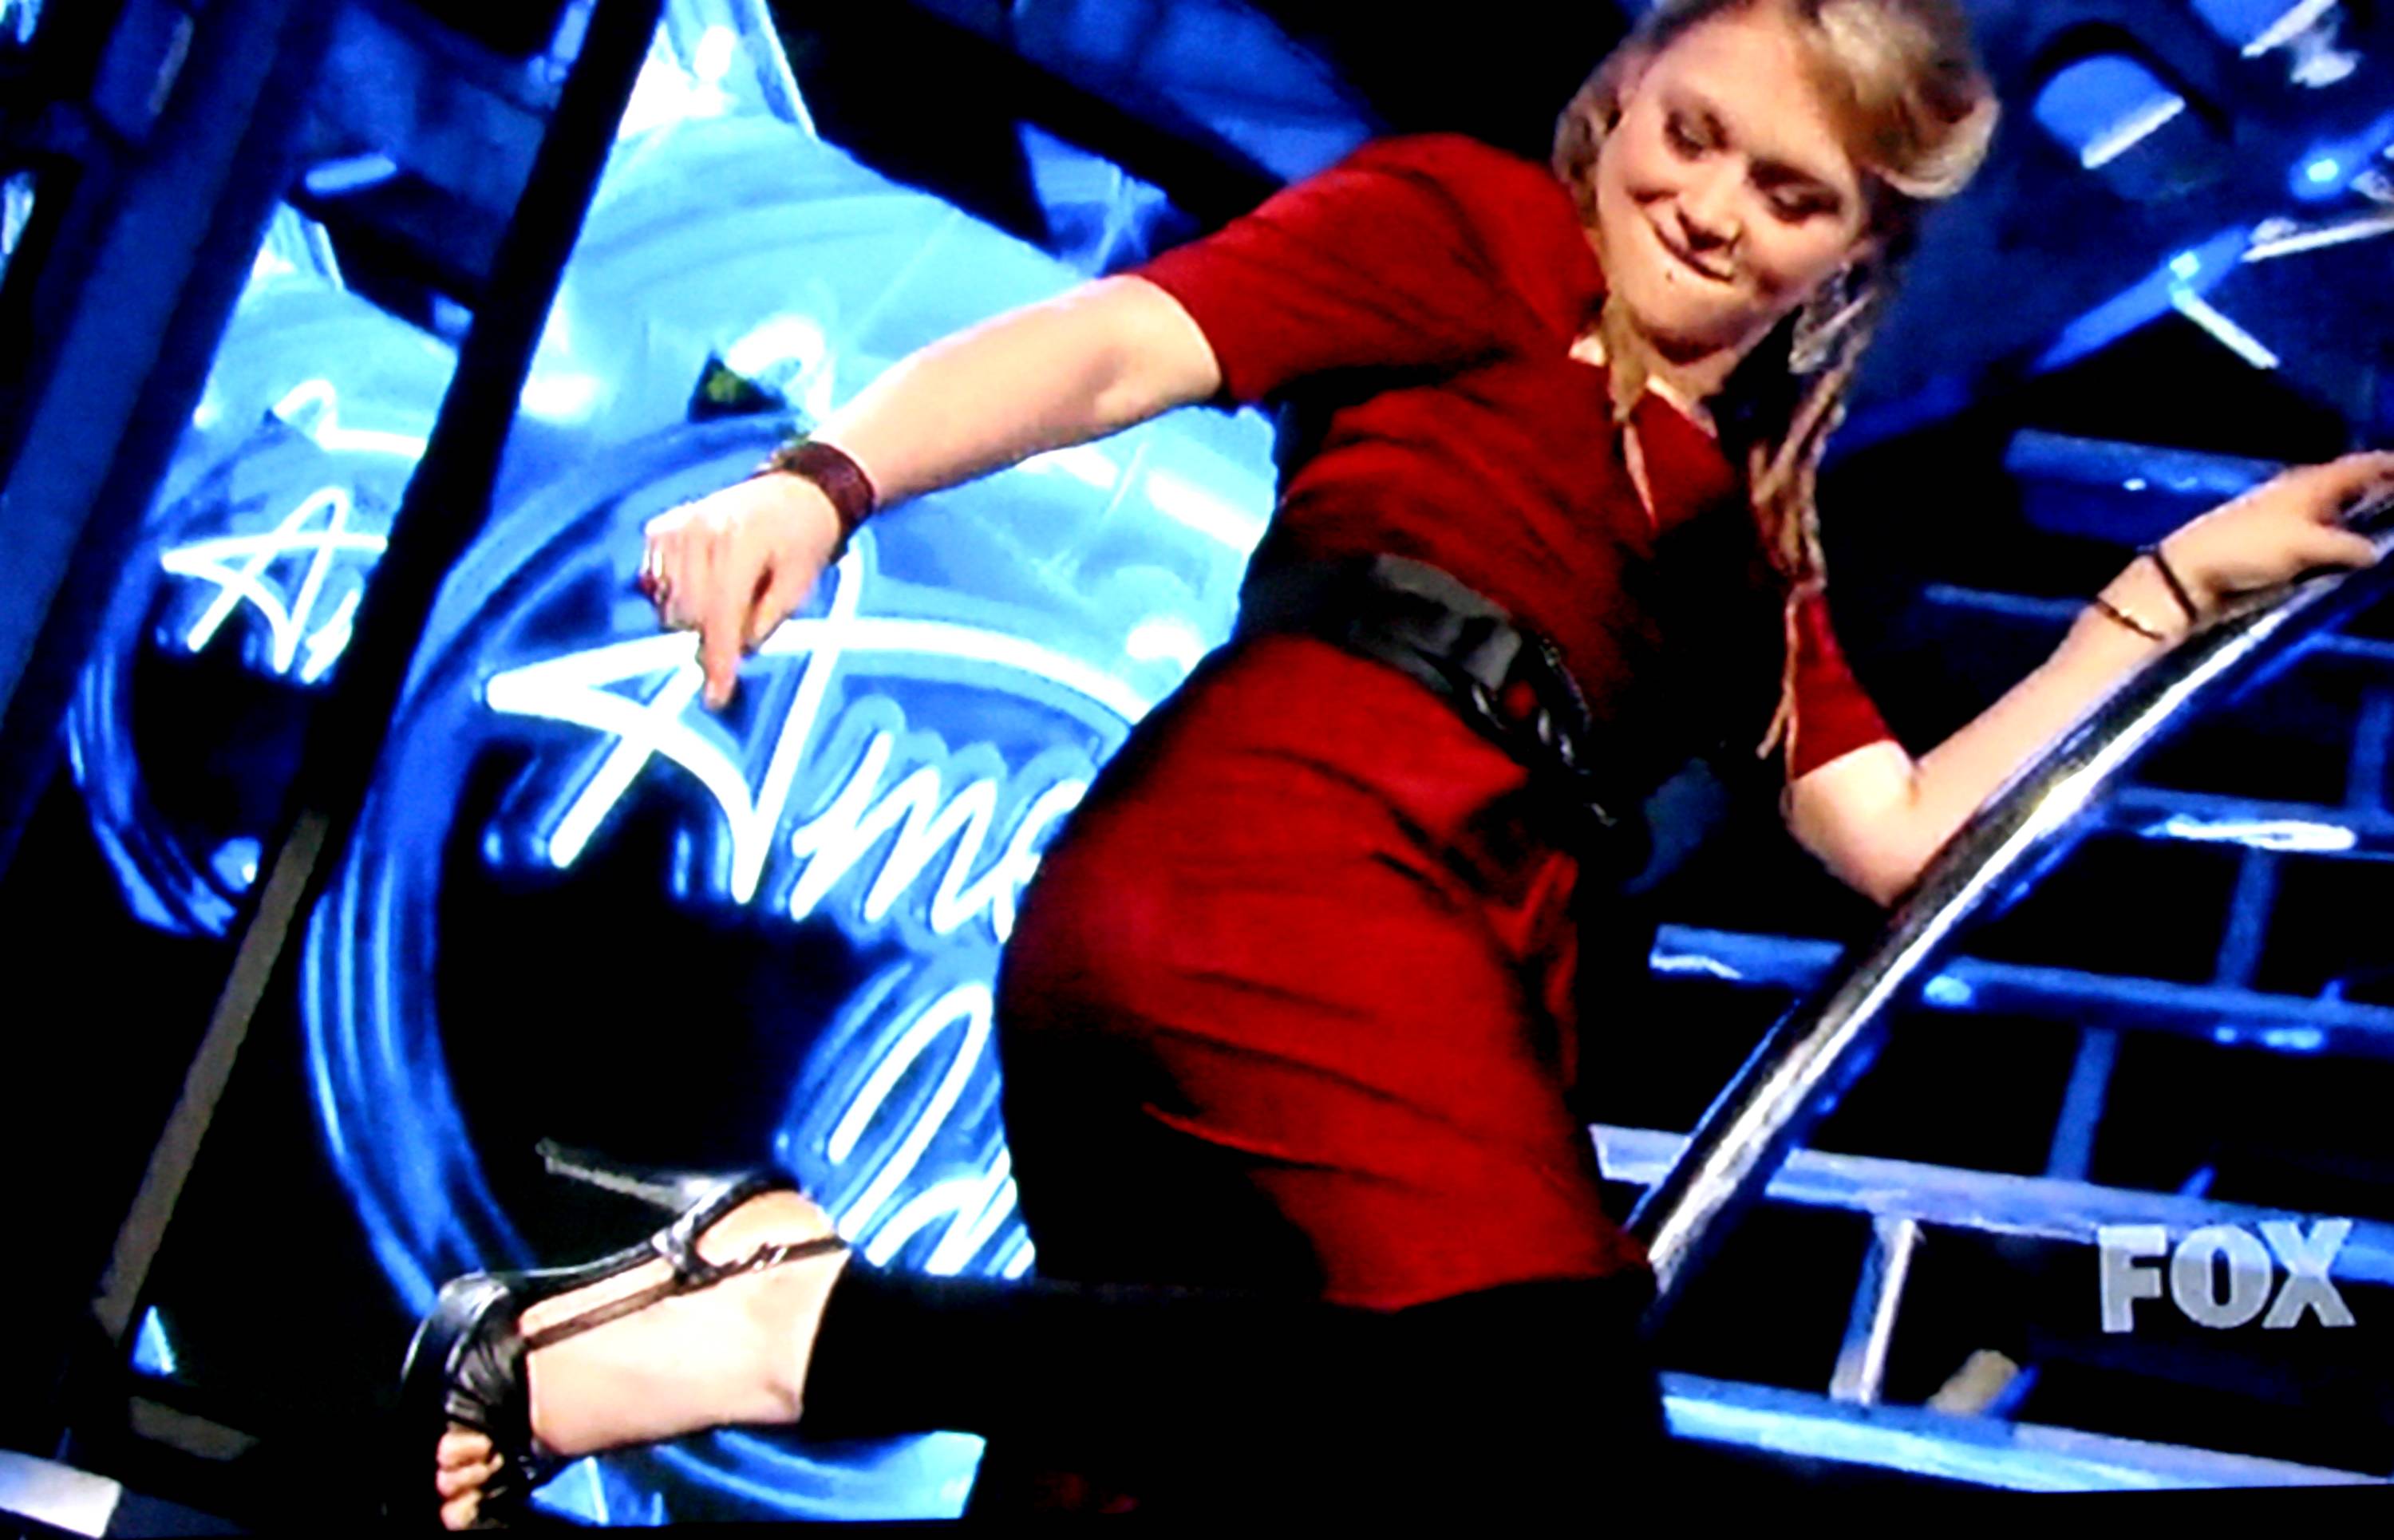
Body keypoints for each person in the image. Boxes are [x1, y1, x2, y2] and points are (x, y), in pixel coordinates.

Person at [407, 0, 2394, 1524]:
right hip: (1293, 859)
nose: (1709, 207)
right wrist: (826, 476)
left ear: (1856, 251)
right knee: (1538, 1406)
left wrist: (2164, 591)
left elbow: (1893, 831)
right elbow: (1121, 345)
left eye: (1788, 195)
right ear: (1619, 96)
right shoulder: (1475, 228)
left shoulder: (1736, 524)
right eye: (1691, 133)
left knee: (1160, 1472)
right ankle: (782, 1321)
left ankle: (687, 1328)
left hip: (1440, 927)